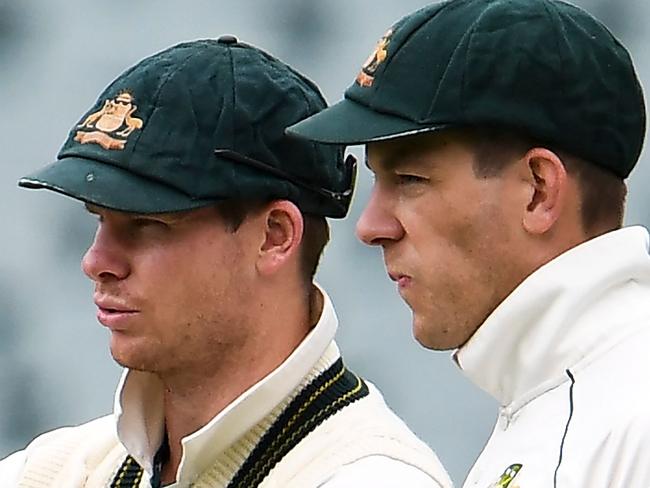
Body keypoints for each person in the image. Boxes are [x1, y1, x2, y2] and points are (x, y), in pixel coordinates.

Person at [1, 38, 452, 487]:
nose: (96, 261)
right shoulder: (55, 471)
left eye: (146, 223)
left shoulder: (371, 478)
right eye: (100, 219)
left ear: (275, 236)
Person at [287, 0, 650, 486]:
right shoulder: (549, 404)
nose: (369, 227)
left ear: (538, 191)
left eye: (411, 179)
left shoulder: (628, 418)